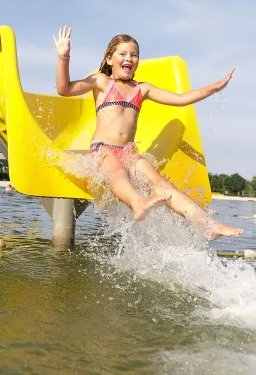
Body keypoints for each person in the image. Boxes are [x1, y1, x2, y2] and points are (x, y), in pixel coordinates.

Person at [53, 26, 242, 240]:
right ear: (109, 59)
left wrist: (214, 87)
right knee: (117, 172)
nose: (129, 58)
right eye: (122, 54)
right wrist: (64, 57)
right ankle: (137, 203)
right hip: (103, 150)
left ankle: (208, 225)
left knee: (161, 184)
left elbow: (181, 99)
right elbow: (64, 89)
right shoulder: (101, 82)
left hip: (129, 153)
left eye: (134, 55)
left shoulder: (141, 90)